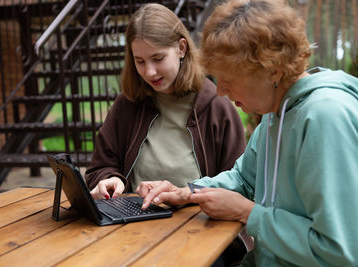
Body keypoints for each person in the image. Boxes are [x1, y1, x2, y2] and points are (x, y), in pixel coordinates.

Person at [137, 0, 358, 266]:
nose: (220, 91)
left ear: (273, 69)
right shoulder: (275, 113)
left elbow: (341, 250)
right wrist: (187, 192)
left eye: (228, 78)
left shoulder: (326, 117)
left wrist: (249, 214)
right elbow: (243, 177)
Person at [85, 3, 246, 201]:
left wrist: (188, 197)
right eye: (140, 61)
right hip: (131, 225)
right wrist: (110, 180)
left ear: (181, 48)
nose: (149, 72)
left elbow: (239, 184)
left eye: (158, 58)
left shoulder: (217, 107)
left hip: (201, 226)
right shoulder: (127, 105)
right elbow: (99, 169)